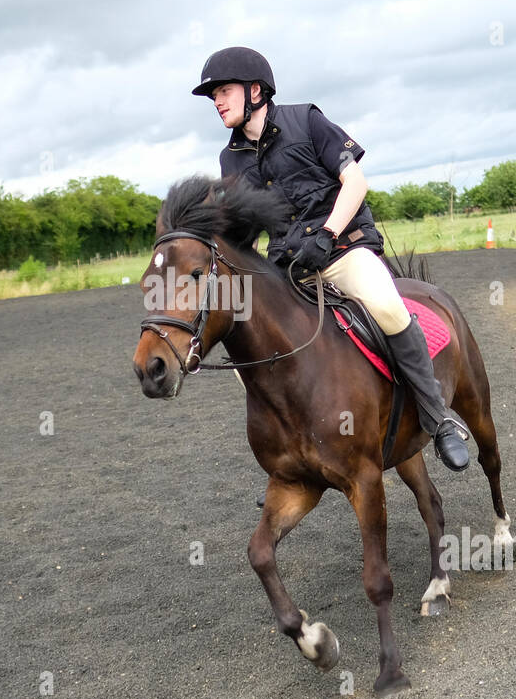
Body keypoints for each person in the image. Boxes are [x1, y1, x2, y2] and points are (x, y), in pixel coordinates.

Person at [192, 46, 470, 471]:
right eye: (214, 96)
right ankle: (293, 454)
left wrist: (327, 233)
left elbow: (354, 181)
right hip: (289, 269)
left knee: (387, 308)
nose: (218, 101)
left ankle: (438, 419)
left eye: (224, 91)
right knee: (248, 343)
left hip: (343, 250)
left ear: (255, 91)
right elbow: (242, 234)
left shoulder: (306, 120)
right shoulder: (230, 159)